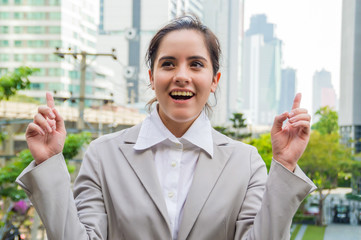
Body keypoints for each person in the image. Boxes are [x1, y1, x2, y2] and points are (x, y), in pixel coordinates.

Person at [16, 16, 316, 240]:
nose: (181, 75)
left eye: (196, 64)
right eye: (168, 64)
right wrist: (49, 163)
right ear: (152, 75)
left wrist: (285, 165)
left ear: (215, 80)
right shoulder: (102, 155)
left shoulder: (245, 161)